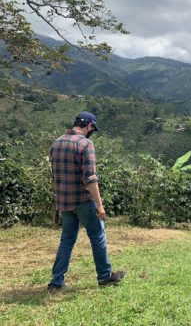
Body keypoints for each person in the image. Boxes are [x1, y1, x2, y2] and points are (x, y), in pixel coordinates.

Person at [47, 111, 125, 293]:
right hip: (83, 200)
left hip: (64, 201)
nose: (92, 132)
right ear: (89, 125)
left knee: (67, 240)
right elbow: (90, 179)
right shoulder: (85, 144)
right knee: (97, 237)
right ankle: (105, 276)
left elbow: (55, 175)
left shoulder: (56, 143)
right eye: (93, 128)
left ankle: (56, 282)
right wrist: (100, 206)